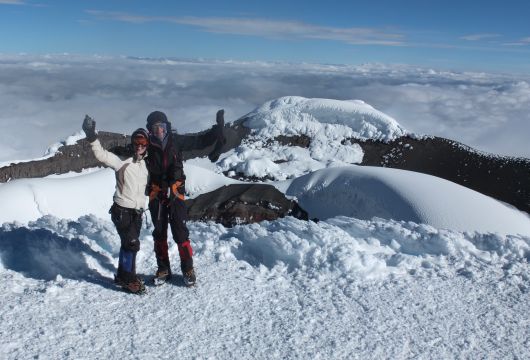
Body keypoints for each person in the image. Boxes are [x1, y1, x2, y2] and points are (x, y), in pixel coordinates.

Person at [146, 110, 225, 287]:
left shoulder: (176, 142)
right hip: (156, 194)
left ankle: (188, 269)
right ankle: (163, 269)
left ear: (167, 127)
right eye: (155, 127)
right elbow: (129, 152)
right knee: (159, 233)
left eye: (162, 126)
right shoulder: (147, 146)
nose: (159, 130)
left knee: (180, 232)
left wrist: (218, 129)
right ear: (150, 130)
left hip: (175, 193)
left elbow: (200, 140)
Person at [82, 115, 149, 294]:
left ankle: (122, 275)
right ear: (132, 143)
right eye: (137, 142)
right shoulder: (122, 160)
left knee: (128, 244)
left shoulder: (145, 164)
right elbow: (102, 155)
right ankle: (128, 280)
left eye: (143, 143)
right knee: (132, 243)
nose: (140, 146)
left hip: (137, 211)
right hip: (122, 210)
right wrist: (91, 137)